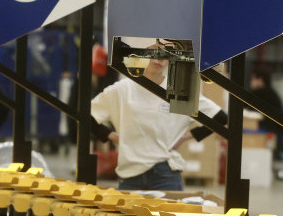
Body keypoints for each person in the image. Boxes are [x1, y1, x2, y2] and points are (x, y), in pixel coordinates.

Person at [90, 49, 226, 191]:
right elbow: (86, 115)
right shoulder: (123, 89)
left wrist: (185, 137)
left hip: (165, 173)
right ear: (142, 55)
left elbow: (220, 118)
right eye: (153, 54)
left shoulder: (179, 91)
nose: (158, 59)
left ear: (170, 60)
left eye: (164, 56)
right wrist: (111, 136)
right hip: (130, 173)